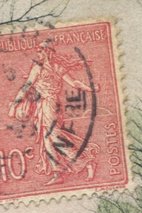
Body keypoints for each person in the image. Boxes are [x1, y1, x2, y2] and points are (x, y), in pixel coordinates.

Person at [7, 41, 97, 184]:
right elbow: (26, 87)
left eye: (41, 51)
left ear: (48, 52)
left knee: (54, 137)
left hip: (50, 105)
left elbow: (74, 83)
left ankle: (85, 161)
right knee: (47, 139)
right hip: (44, 105)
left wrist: (90, 88)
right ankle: (58, 173)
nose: (39, 54)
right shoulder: (42, 68)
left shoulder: (49, 68)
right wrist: (15, 105)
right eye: (38, 51)